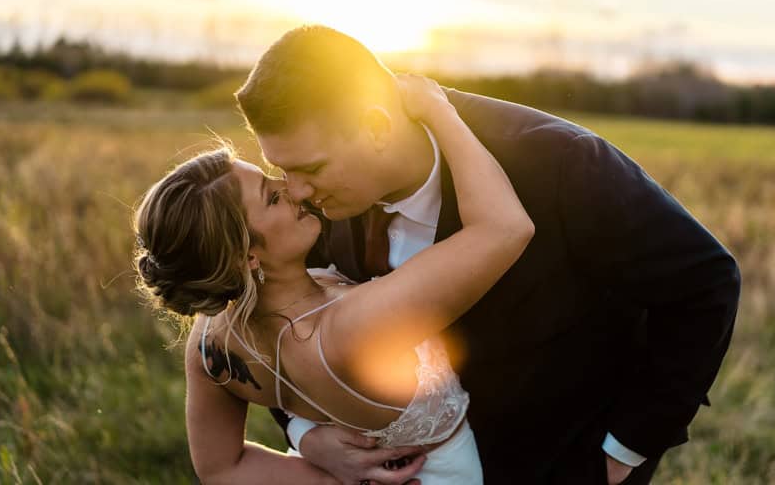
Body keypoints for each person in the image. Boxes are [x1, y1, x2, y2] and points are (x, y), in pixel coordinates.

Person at [234, 25, 742, 484]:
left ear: (375, 127)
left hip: (561, 462)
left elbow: (705, 282)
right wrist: (306, 434)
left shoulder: (559, 165)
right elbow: (274, 314)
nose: (293, 191)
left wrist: (622, 453)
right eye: (281, 169)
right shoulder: (306, 207)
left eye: (311, 169)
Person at [133, 75, 535, 484]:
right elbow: (504, 229)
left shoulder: (211, 341)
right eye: (271, 197)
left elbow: (221, 468)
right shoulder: (353, 325)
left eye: (271, 177)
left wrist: (327, 478)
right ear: (247, 255)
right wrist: (440, 111)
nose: (291, 188)